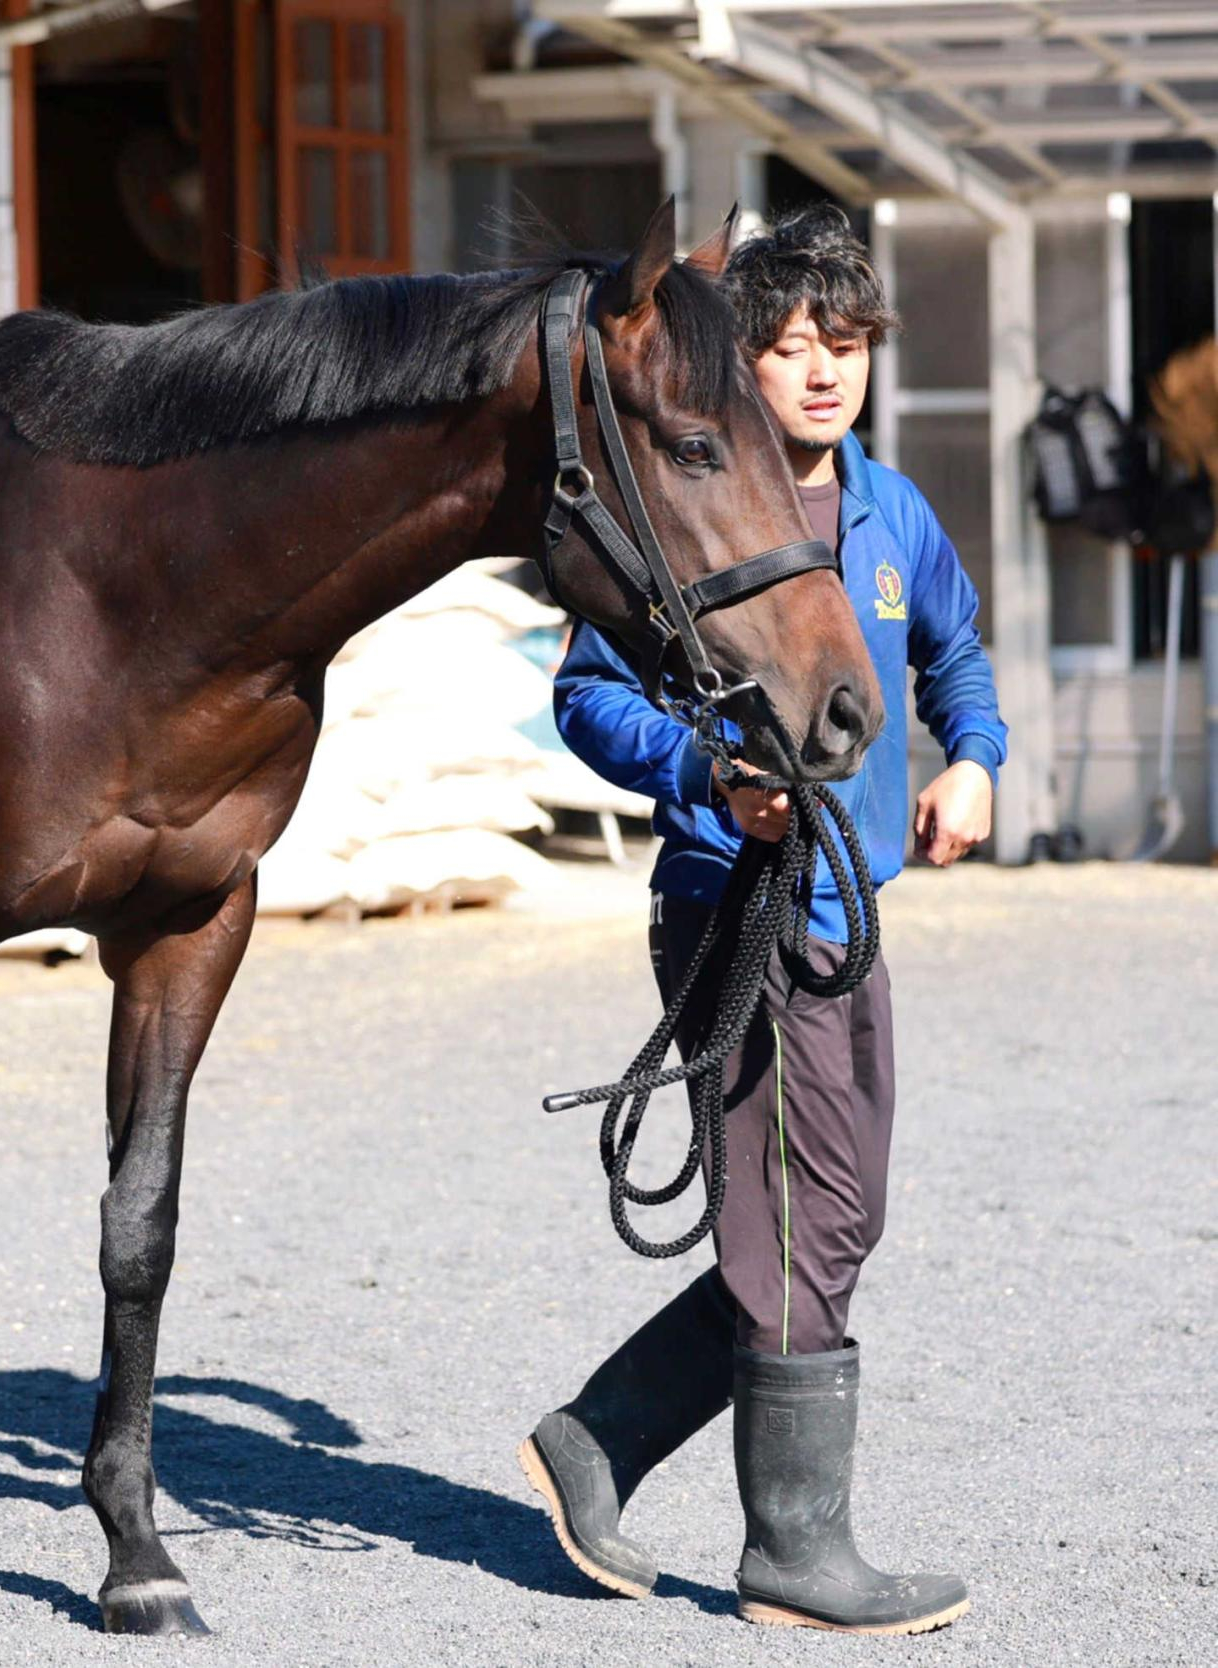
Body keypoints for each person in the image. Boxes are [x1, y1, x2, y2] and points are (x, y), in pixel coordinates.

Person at [517, 204, 1006, 1636]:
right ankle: (796, 1553)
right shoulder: (687, 514)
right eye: (786, 346)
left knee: (836, 1220)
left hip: (853, 913)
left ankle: (597, 1440)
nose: (815, 371)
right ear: (741, 365)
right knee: (799, 1222)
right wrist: (703, 779)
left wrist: (974, 756)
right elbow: (585, 696)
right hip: (731, 907)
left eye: (838, 344)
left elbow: (958, 656)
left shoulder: (893, 511)